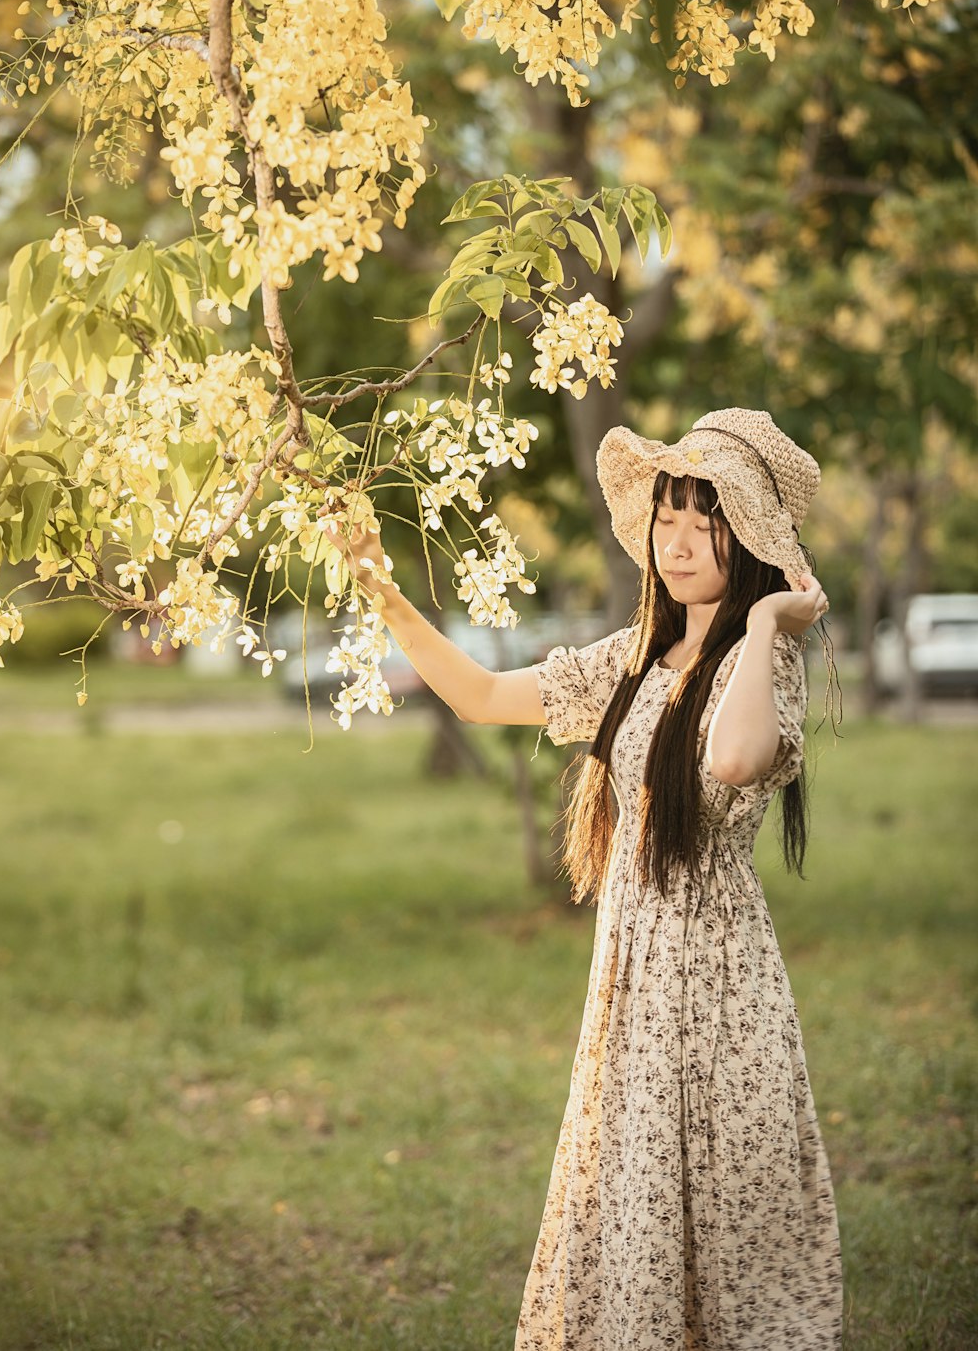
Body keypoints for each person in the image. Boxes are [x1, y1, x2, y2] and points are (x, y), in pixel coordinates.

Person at [323, 407, 844, 1350]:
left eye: (706, 522)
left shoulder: (766, 662)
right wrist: (382, 590)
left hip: (718, 985)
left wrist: (768, 619)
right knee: (634, 1211)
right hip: (632, 975)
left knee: (723, 1229)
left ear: (751, 542)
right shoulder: (635, 659)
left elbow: (729, 763)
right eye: (668, 519)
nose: (677, 543)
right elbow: (482, 697)